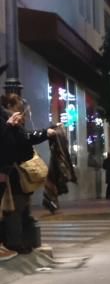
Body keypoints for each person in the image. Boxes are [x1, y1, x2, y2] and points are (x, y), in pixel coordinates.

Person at [1, 94, 56, 253]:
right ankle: (15, 242)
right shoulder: (7, 119)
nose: (23, 112)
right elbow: (21, 139)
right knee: (15, 208)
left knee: (19, 206)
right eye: (20, 108)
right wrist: (45, 133)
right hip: (12, 171)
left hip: (11, 170)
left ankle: (18, 241)